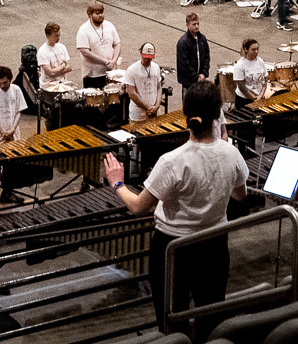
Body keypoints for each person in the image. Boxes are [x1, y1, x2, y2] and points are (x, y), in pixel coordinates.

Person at [102, 80, 247, 329]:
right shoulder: (231, 153)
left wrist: (118, 183)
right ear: (217, 116)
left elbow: (138, 207)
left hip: (173, 248)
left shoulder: (172, 161)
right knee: (211, 317)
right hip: (214, 246)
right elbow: (240, 195)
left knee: (171, 319)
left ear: (186, 115)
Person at [76, 0, 122, 93]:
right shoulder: (83, 30)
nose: (100, 15)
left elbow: (117, 44)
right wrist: (104, 61)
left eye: (101, 12)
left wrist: (114, 61)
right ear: (90, 14)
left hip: (110, 73)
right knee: (93, 106)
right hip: (92, 75)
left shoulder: (109, 25)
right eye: (97, 13)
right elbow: (85, 52)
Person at [123, 42, 167, 120]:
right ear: (140, 53)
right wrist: (147, 108)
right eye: (145, 57)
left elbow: (159, 88)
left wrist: (156, 106)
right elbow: (131, 93)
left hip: (155, 111)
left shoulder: (156, 67)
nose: (147, 59)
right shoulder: (132, 70)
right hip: (138, 114)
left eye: (149, 57)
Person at [0, 64, 28, 143]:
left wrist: (13, 129)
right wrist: (1, 131)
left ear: (10, 79)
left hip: (13, 132)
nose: (2, 86)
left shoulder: (16, 90)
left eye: (5, 83)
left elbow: (19, 111)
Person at [227, 37, 272, 103]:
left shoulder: (260, 61)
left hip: (259, 97)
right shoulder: (240, 65)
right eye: (253, 50)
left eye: (257, 49)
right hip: (244, 99)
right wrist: (252, 97)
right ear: (246, 50)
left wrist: (260, 95)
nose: (256, 52)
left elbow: (265, 81)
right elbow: (241, 86)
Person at [34, 23, 71, 98]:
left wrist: (56, 70)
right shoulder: (42, 51)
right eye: (56, 36)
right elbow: (50, 73)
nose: (58, 38)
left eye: (59, 35)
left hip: (62, 85)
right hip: (48, 88)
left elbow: (69, 67)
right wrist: (63, 66)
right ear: (48, 36)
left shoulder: (62, 47)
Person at [176, 12, 210, 91]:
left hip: (201, 79)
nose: (197, 26)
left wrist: (203, 74)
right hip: (188, 82)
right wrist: (196, 77)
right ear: (187, 25)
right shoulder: (183, 42)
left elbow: (207, 56)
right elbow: (184, 64)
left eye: (198, 24)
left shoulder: (202, 39)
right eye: (194, 24)